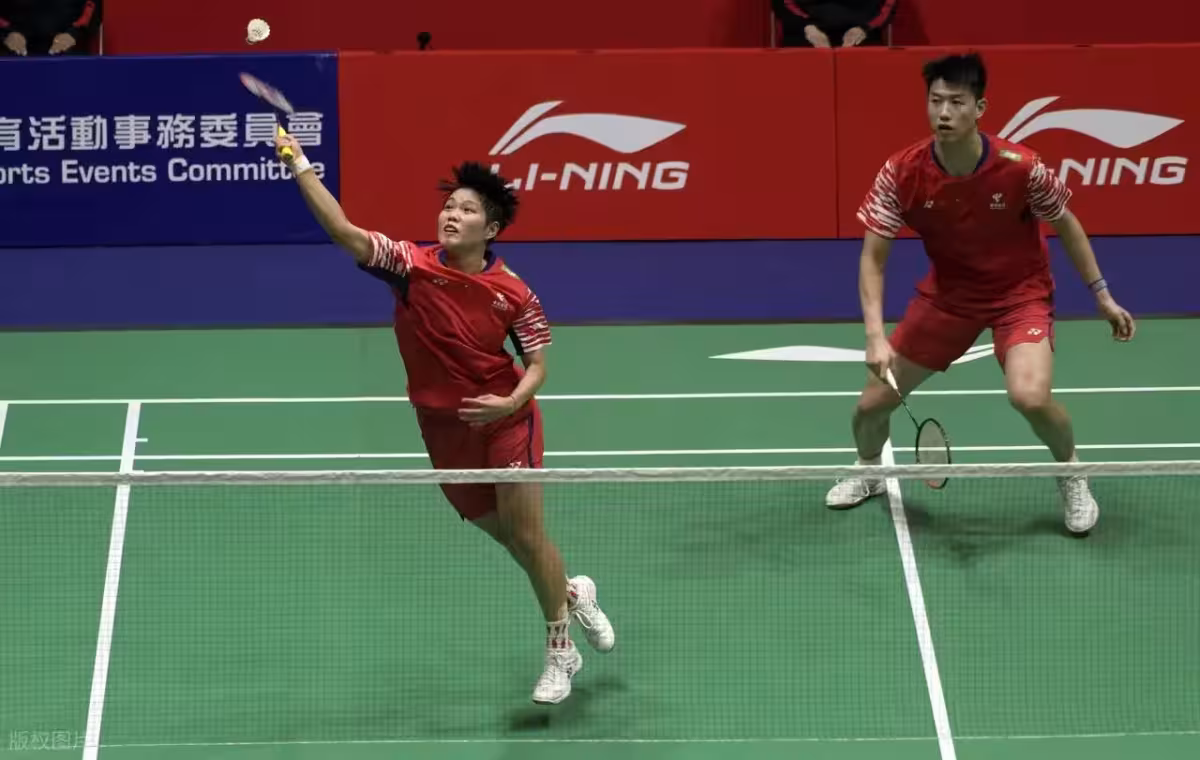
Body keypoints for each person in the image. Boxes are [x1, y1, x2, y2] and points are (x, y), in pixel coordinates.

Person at [272, 132, 615, 704]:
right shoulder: (410, 266)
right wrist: (299, 163)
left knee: (528, 534)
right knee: (510, 539)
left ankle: (561, 652)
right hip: (442, 426)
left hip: (506, 420)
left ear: (491, 228)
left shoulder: (515, 294)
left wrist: (510, 403)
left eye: (467, 209)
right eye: (449, 206)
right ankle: (574, 592)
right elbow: (344, 232)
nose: (451, 215)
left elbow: (537, 366)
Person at [824, 52, 1136, 535]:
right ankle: (870, 471)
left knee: (1030, 397)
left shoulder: (1021, 168)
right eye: (935, 101)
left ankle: (1072, 473)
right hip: (948, 299)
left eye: (956, 102)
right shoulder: (901, 172)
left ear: (980, 108)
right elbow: (873, 258)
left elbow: (1067, 225)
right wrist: (874, 335)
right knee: (869, 409)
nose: (943, 112)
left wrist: (1102, 295)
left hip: (1020, 295)